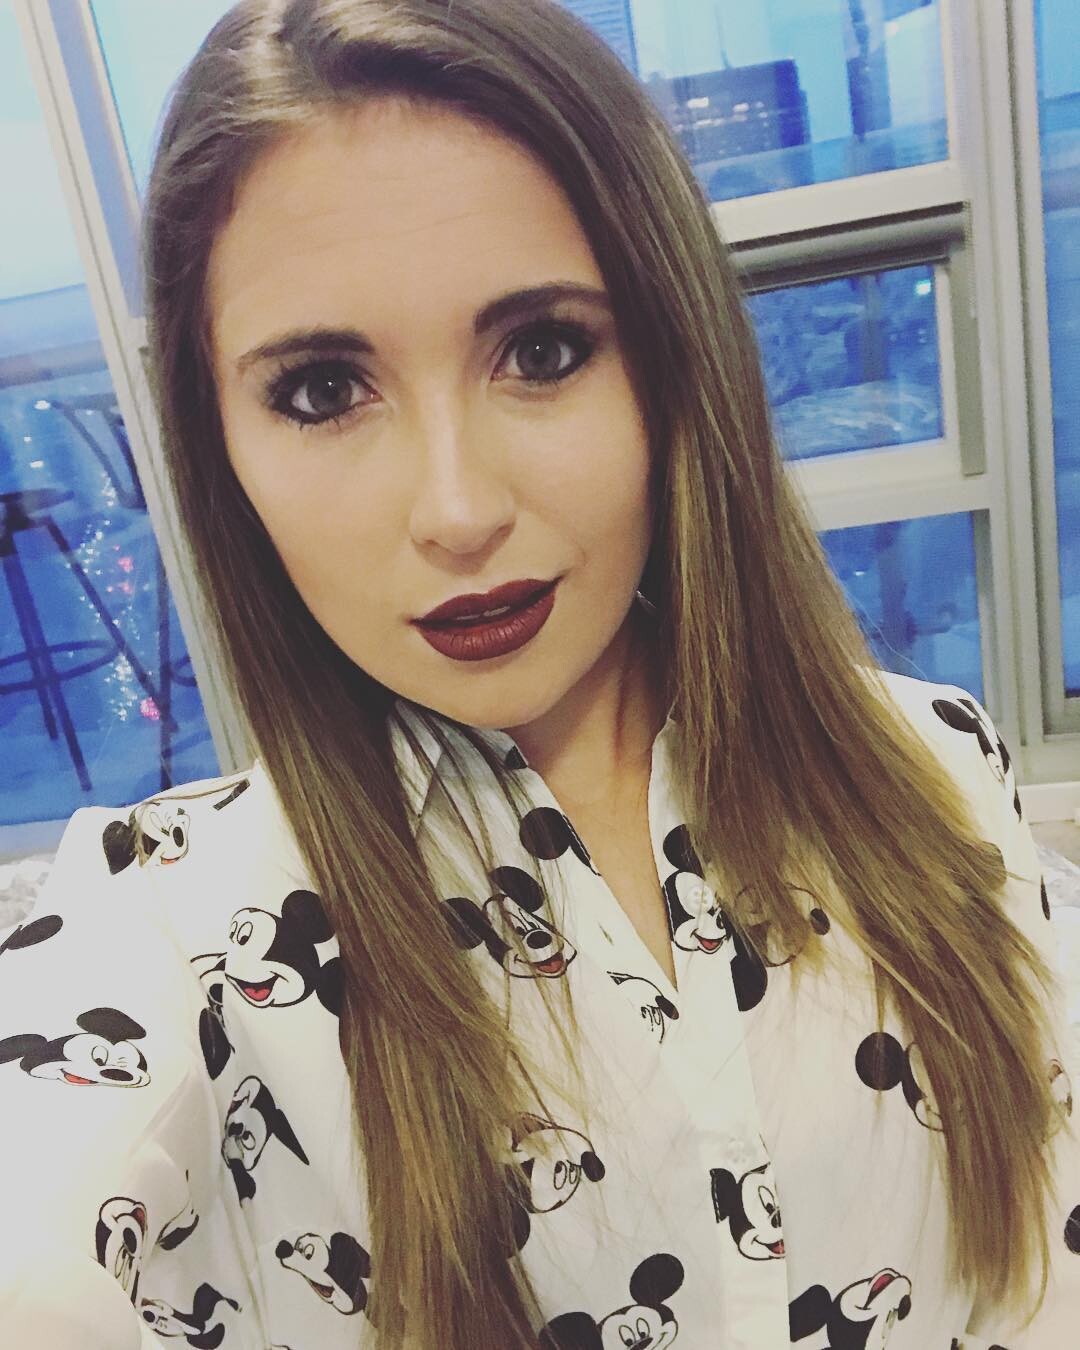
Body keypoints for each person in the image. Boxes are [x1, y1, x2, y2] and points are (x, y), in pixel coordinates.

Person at [1, 0, 1077, 1346]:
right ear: (218, 442)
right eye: (323, 390)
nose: (457, 510)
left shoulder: (936, 764)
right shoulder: (171, 925)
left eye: (545, 351)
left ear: (673, 366)